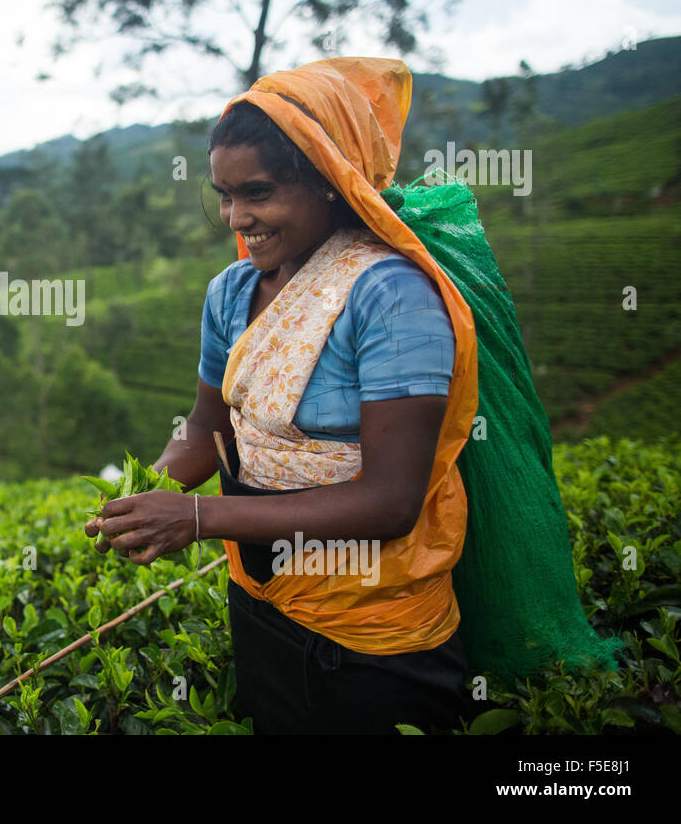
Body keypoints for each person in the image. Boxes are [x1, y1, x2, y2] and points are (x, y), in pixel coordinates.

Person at [85, 57, 480, 734]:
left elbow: (392, 501)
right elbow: (209, 425)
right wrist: (140, 501)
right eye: (225, 196)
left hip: (372, 633)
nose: (239, 217)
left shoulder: (390, 297)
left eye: (259, 193)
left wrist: (199, 518)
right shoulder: (231, 292)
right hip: (261, 597)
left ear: (328, 180)